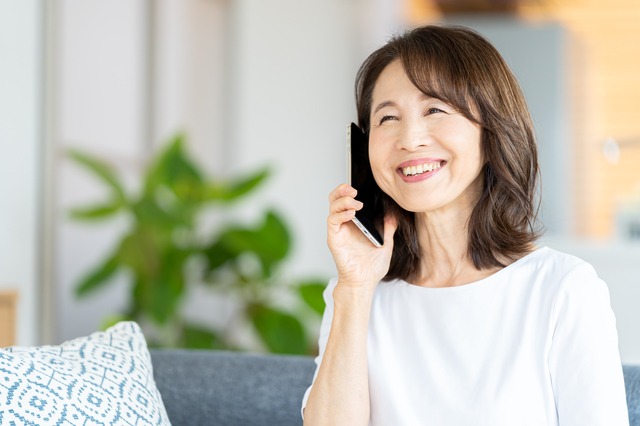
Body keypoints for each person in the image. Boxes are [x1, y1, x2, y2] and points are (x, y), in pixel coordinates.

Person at [301, 25, 629, 425]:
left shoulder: (563, 289)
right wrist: (354, 289)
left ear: (491, 129)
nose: (410, 139)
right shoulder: (355, 293)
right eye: (387, 118)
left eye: (435, 110)